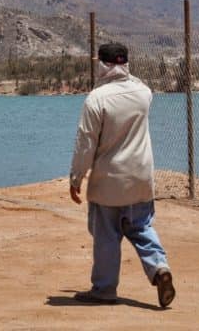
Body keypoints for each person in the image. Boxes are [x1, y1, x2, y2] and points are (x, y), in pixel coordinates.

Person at [69, 42, 175, 307]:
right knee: (141, 227)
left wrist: (76, 178)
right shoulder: (143, 93)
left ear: (102, 64)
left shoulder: (96, 99)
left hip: (109, 181)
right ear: (125, 63)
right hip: (141, 177)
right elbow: (135, 83)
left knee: (106, 234)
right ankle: (159, 267)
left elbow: (86, 144)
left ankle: (104, 290)